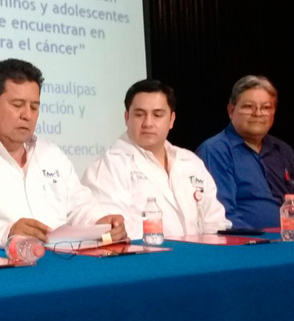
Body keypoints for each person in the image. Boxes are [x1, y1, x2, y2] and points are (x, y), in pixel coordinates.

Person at [0, 58, 126, 253]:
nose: (27, 115)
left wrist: (100, 222)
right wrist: (7, 233)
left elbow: (80, 206)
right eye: (17, 105)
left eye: (34, 107)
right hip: (0, 266)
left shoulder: (51, 155)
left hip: (61, 263)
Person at [82, 79, 231, 238]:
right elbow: (114, 234)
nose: (148, 123)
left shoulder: (190, 162)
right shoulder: (109, 166)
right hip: (145, 253)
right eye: (139, 114)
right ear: (126, 118)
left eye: (157, 115)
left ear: (171, 120)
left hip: (201, 252)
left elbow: (216, 222)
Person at [196, 75, 294, 230]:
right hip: (245, 242)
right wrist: (262, 239)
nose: (258, 113)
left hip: (293, 239)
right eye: (248, 106)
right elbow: (224, 215)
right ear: (231, 110)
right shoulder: (215, 151)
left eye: (266, 107)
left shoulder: (282, 150)